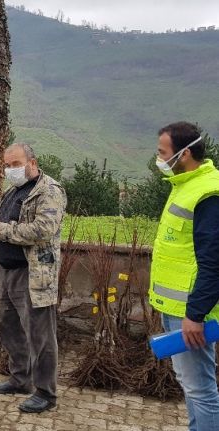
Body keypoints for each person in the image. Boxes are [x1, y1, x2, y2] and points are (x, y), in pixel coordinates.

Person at [0, 143, 66, 413]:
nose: (10, 170)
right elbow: (6, 222)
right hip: (6, 270)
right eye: (7, 165)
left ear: (32, 162)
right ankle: (20, 379)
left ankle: (46, 393)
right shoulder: (13, 191)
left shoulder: (49, 190)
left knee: (40, 335)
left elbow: (42, 230)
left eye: (15, 164)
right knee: (10, 328)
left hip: (33, 275)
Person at [148, 122, 219, 430]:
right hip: (176, 308)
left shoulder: (208, 192)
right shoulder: (185, 185)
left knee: (200, 389)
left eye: (163, 153)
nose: (159, 159)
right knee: (190, 385)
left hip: (189, 313)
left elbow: (214, 261)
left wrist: (196, 313)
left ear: (184, 153)